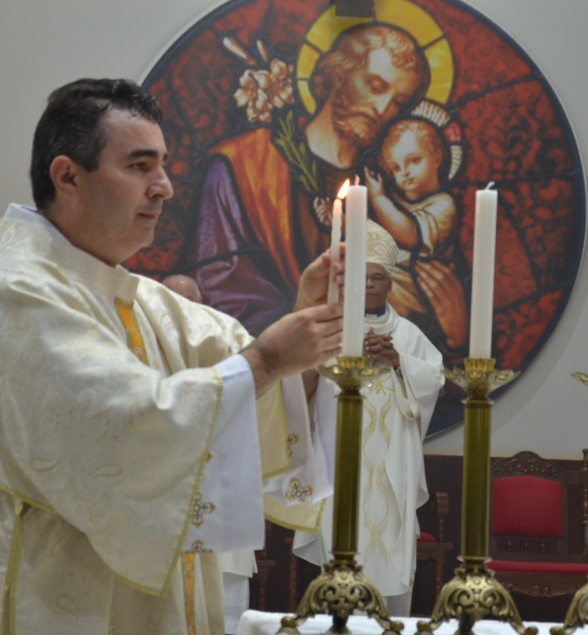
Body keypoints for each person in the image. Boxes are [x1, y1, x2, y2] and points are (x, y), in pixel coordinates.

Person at [0, 78, 345, 635]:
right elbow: (123, 426)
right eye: (140, 166)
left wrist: (301, 329)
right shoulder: (13, 295)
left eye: (163, 165)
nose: (164, 187)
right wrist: (266, 362)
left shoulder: (139, 299)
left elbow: (257, 381)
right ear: (68, 176)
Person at [195, 24, 428, 335]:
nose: (383, 109)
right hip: (271, 372)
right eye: (375, 85)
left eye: (399, 102)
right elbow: (220, 291)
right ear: (338, 73)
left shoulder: (385, 191)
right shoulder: (244, 165)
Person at [294, 222, 443, 617]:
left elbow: (435, 381)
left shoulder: (409, 336)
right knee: (341, 546)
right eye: (364, 278)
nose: (372, 284)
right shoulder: (331, 330)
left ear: (390, 285)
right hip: (342, 464)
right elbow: (300, 384)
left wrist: (397, 361)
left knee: (391, 553)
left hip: (393, 466)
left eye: (379, 277)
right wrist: (346, 359)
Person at [162, 273, 254, 635]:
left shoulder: (224, 345)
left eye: (192, 301)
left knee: (221, 597)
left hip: (217, 490)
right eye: (174, 302)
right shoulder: (140, 348)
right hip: (164, 497)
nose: (185, 310)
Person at [365, 117, 457, 258]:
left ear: (437, 157)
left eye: (414, 160)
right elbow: (373, 236)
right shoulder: (394, 201)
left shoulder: (444, 205)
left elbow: (411, 236)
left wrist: (378, 198)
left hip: (420, 277)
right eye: (395, 168)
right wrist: (338, 218)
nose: (404, 172)